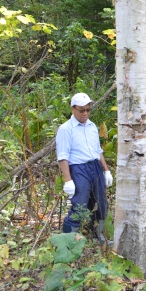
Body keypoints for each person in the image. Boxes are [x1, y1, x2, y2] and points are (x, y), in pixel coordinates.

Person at [57, 93, 113, 242]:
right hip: (78, 168)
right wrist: (68, 180)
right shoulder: (65, 129)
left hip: (95, 166)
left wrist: (106, 170)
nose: (85, 113)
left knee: (100, 203)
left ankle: (97, 236)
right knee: (79, 204)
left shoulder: (92, 126)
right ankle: (68, 241)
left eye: (88, 110)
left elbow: (98, 150)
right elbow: (63, 156)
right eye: (82, 110)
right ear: (73, 109)